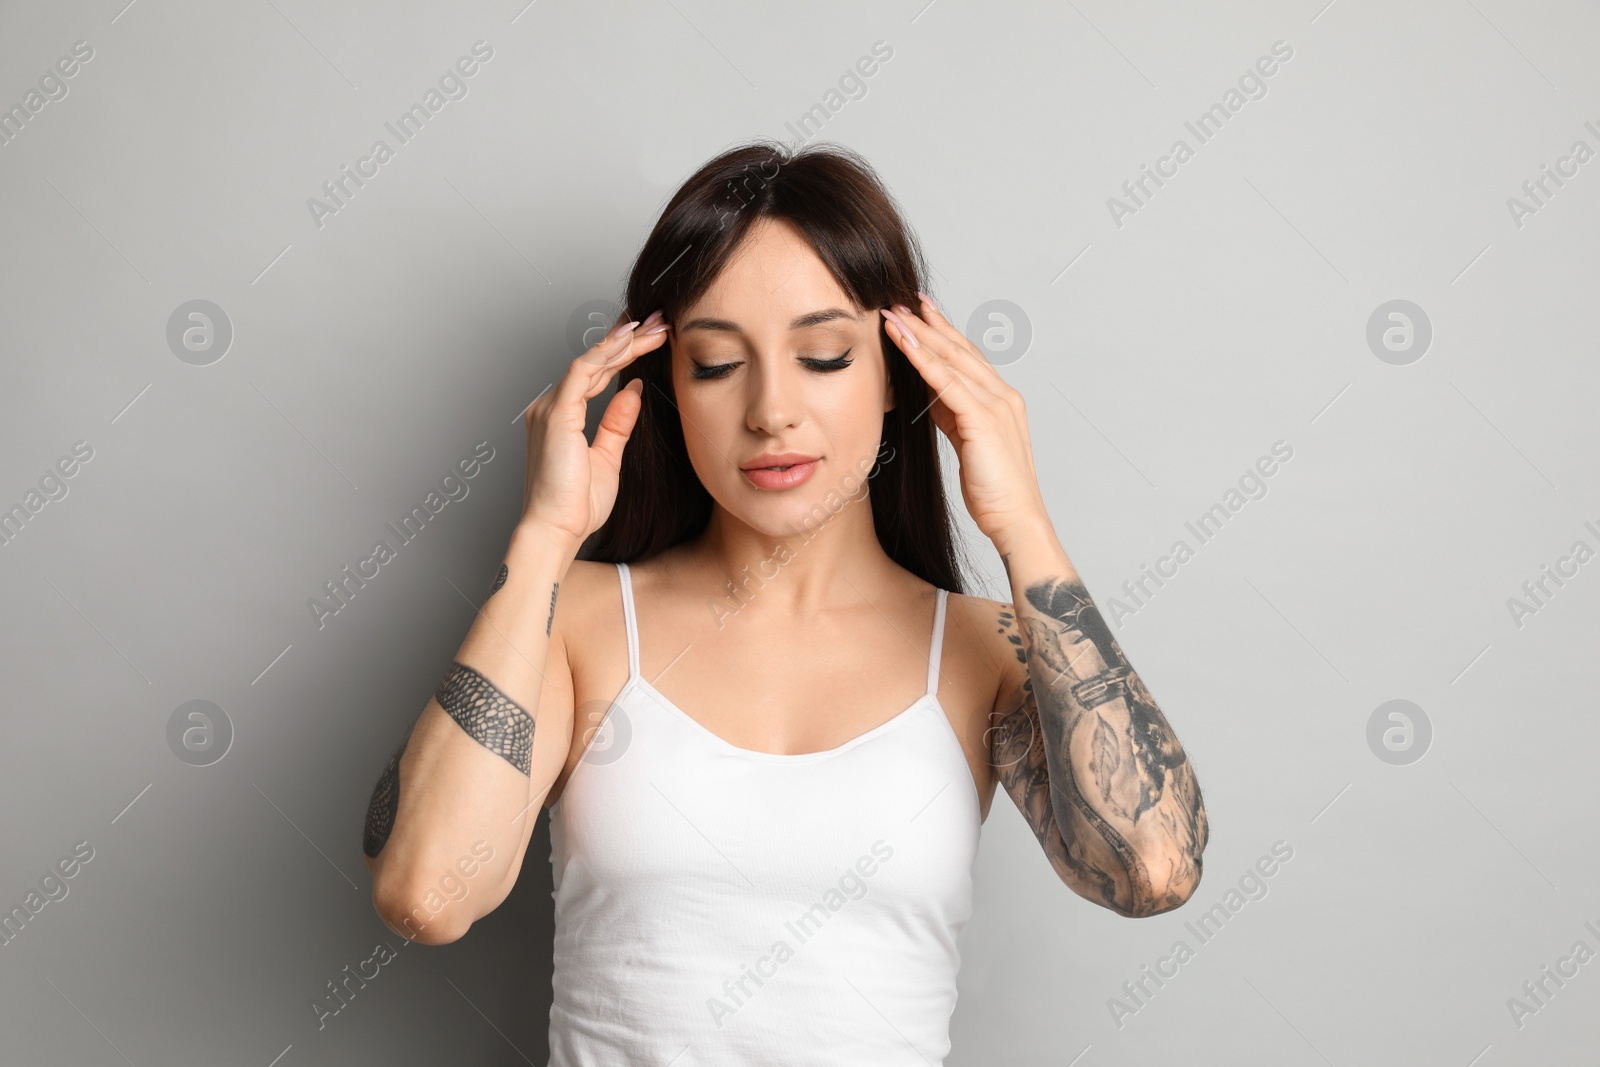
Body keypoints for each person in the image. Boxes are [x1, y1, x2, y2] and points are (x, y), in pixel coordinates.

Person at [360, 140, 1208, 1064]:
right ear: (667, 390)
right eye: (718, 364)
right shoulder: (577, 622)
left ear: (897, 372)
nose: (771, 409)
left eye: (824, 355)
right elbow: (427, 895)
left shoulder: (981, 652)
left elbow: (1152, 869)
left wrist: (1022, 525)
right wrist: (543, 541)